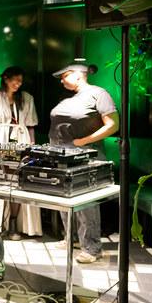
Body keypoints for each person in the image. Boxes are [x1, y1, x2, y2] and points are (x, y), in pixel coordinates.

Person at [49, 59, 119, 263]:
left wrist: (84, 141)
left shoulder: (98, 94)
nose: (62, 80)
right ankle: (71, 238)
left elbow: (113, 124)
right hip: (62, 154)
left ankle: (92, 248)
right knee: (64, 198)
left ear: (78, 75)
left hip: (85, 156)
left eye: (65, 76)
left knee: (86, 203)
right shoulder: (70, 99)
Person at [0, 65, 42, 239]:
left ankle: (14, 224)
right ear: (6, 79)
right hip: (0, 139)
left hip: (21, 139)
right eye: (15, 80)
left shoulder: (26, 98)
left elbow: (31, 124)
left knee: (18, 182)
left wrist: (32, 146)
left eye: (20, 81)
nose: (18, 84)